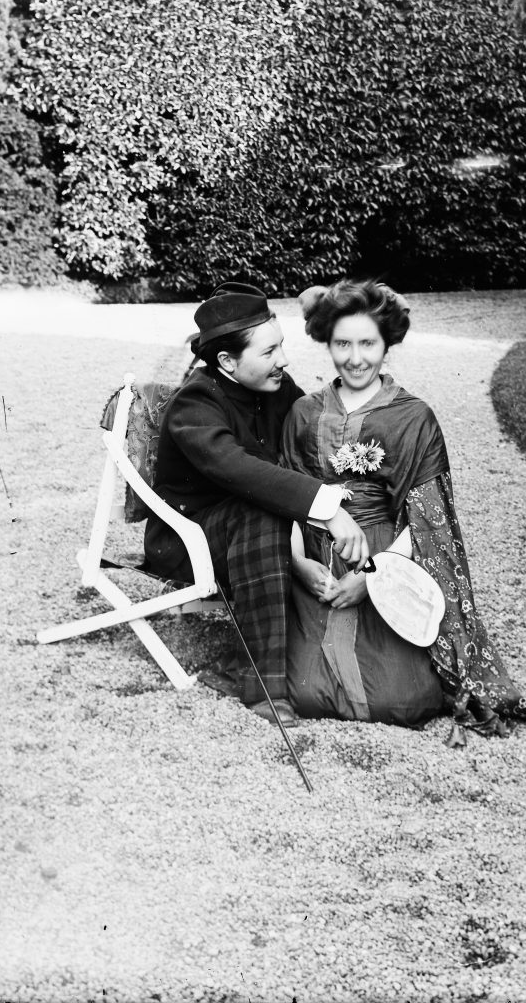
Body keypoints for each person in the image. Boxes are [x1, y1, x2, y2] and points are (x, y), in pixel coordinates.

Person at [280, 279, 526, 746]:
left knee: (399, 701)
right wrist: (300, 564)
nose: (355, 357)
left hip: (388, 558)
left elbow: (426, 519)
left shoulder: (413, 417)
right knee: (301, 691)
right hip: (313, 554)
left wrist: (369, 576)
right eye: (342, 343)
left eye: (368, 343)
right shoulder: (304, 412)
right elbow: (286, 497)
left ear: (387, 345)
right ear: (327, 343)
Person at [143, 282, 370, 727]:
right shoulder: (195, 403)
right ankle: (261, 684)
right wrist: (326, 510)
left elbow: (311, 445)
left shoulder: (275, 387)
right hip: (188, 541)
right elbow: (240, 472)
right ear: (226, 362)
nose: (283, 360)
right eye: (268, 352)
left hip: (260, 538)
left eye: (281, 346)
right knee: (262, 508)